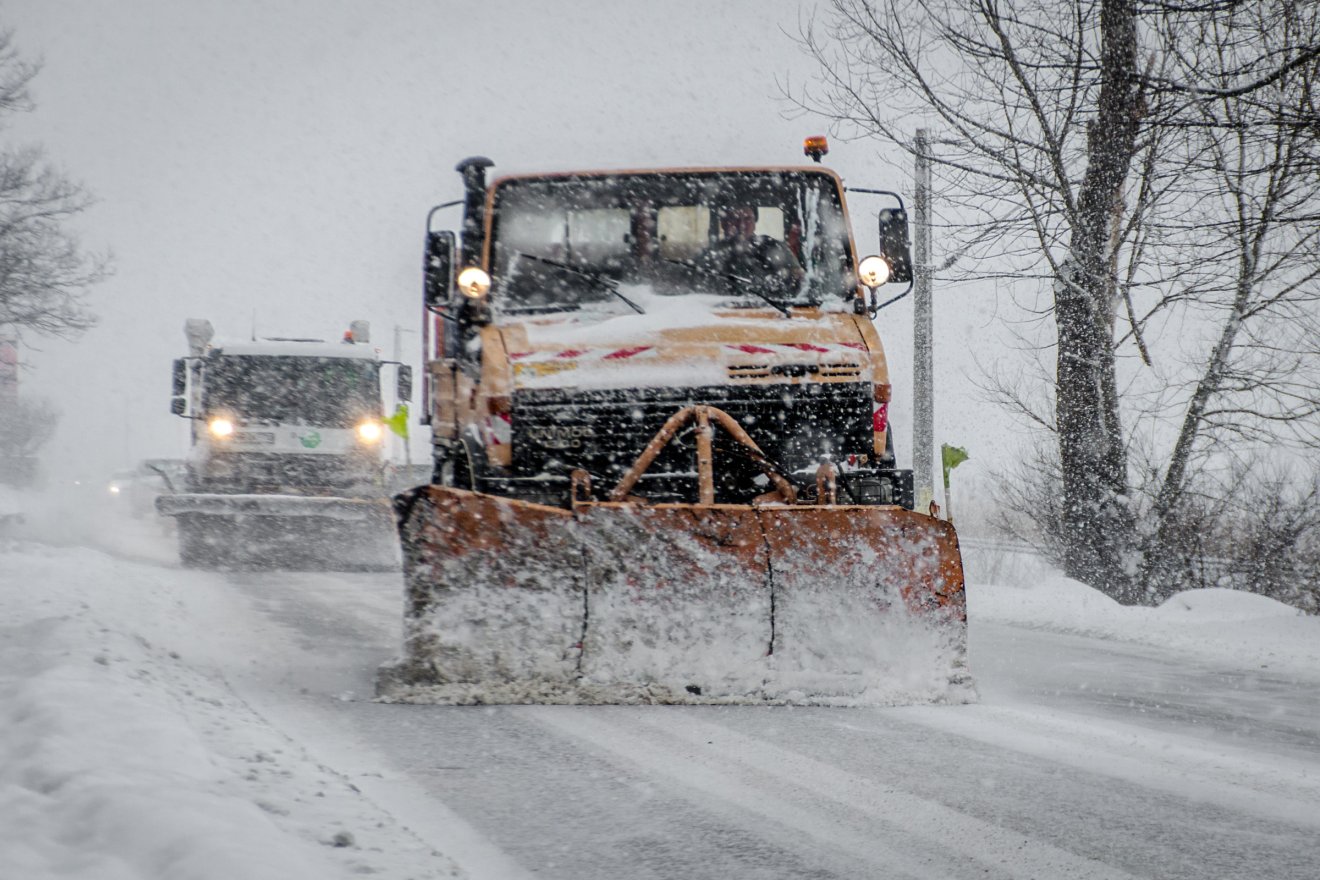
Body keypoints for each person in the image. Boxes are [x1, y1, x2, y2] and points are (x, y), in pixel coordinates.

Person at [699, 205, 803, 296]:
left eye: (747, 219)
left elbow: (798, 281)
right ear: (724, 223)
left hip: (769, 311)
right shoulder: (712, 254)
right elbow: (695, 288)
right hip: (715, 313)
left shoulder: (773, 248)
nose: (742, 225)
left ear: (755, 223)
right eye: (735, 219)